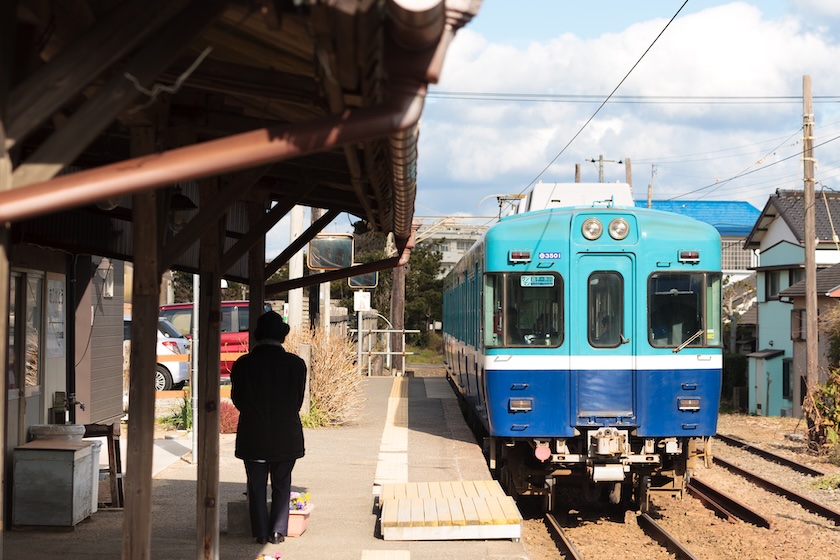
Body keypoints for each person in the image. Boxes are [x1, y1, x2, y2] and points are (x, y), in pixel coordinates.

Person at [231, 311, 307, 545]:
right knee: (282, 483)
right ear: (282, 336)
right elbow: (297, 400)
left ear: (257, 335)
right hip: (286, 433)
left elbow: (238, 399)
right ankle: (278, 531)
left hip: (253, 433)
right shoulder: (296, 364)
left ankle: (261, 532)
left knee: (256, 485)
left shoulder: (243, 364)